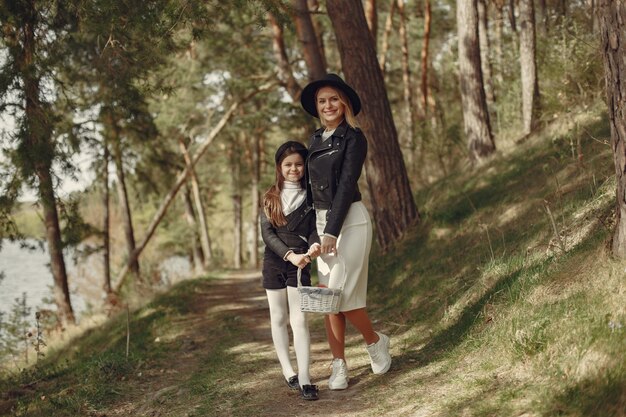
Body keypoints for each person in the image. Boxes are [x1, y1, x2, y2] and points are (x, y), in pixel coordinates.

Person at [300, 73, 392, 390]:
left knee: (343, 294)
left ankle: (375, 341)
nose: (328, 105)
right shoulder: (313, 141)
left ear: (344, 103)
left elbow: (344, 188)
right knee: (328, 296)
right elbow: (310, 194)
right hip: (322, 224)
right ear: (317, 105)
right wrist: (314, 236)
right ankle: (339, 364)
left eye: (334, 99)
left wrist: (331, 232)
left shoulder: (353, 137)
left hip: (350, 220)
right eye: (322, 101)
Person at [260, 141, 321, 401]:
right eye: (288, 165)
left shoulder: (312, 196)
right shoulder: (270, 196)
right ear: (279, 167)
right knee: (278, 317)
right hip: (276, 261)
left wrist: (315, 243)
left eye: (298, 164)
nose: (293, 169)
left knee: (300, 320)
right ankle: (288, 372)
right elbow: (267, 233)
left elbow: (313, 228)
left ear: (304, 166)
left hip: (301, 264)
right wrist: (288, 255)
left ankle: (306, 377)